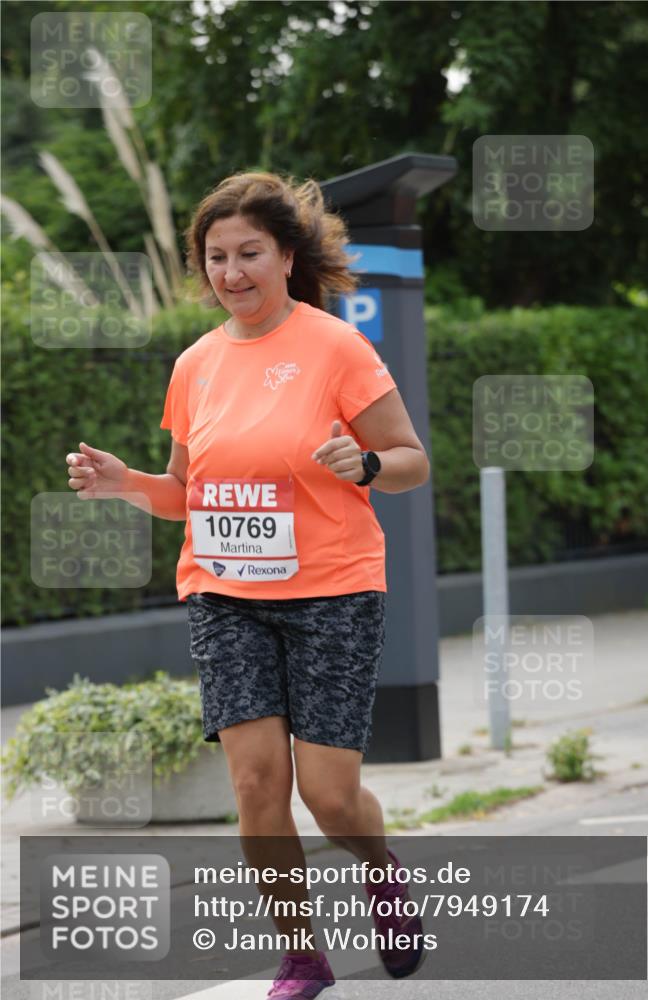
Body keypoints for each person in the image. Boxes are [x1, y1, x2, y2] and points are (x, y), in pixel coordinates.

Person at [66, 171, 431, 998]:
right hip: (226, 597)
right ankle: (301, 955)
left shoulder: (334, 346)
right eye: (215, 256)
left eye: (248, 254)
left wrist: (367, 463)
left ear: (285, 255)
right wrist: (126, 482)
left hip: (333, 592)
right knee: (257, 784)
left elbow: (411, 460)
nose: (231, 272)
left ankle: (379, 867)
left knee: (330, 800)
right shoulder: (194, 365)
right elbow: (185, 496)